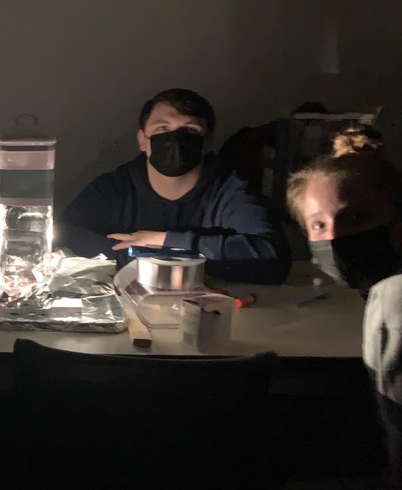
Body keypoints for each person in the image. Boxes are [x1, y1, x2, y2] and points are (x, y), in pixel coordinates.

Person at [58, 88, 290, 283]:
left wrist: (166, 241)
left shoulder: (230, 188)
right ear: (142, 140)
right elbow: (63, 234)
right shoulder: (114, 187)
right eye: (162, 129)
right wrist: (148, 256)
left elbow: (273, 256)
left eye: (190, 130)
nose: (175, 140)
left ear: (208, 142)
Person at [287, 125, 402, 487]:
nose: (336, 238)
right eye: (319, 225)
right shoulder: (381, 294)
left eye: (357, 217)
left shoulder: (394, 305)